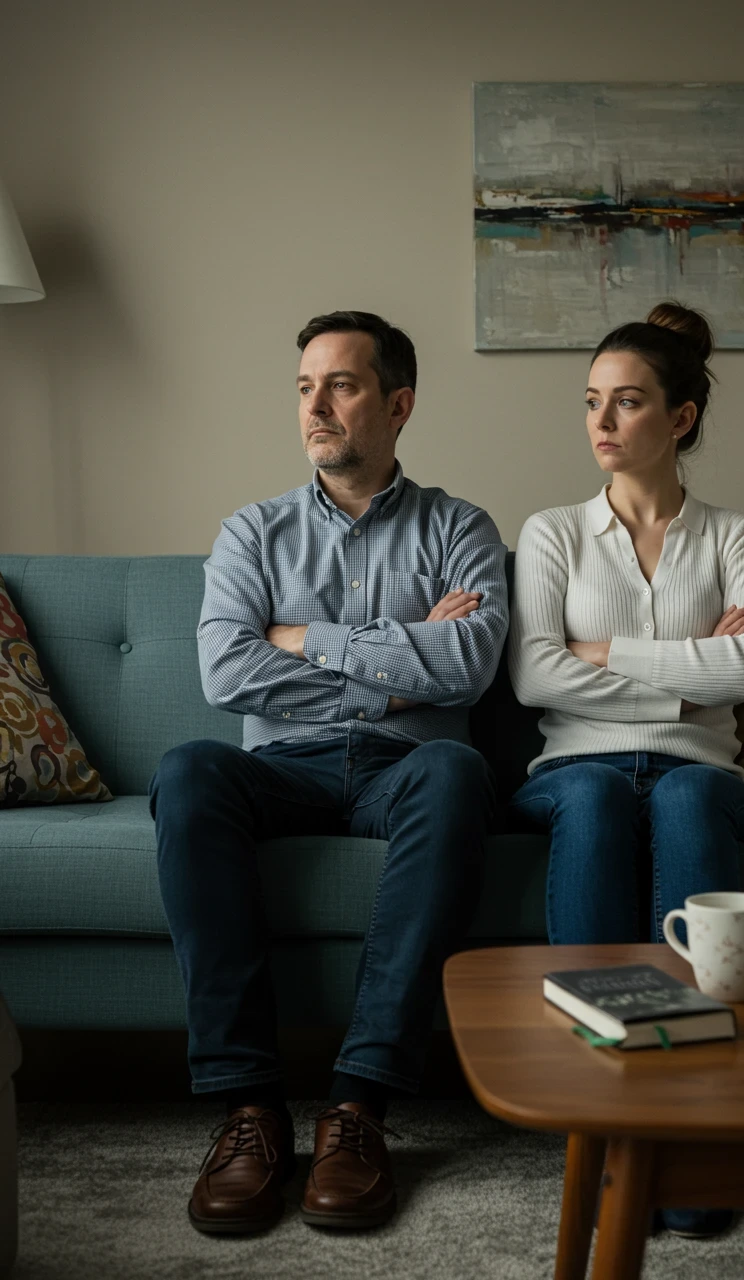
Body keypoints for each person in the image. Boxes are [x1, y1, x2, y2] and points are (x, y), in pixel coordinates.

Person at [150, 310, 508, 1235]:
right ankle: (249, 1110)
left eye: (341, 385)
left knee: (458, 770)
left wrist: (306, 639)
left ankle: (358, 1109)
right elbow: (227, 673)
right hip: (279, 770)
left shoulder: (461, 526)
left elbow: (467, 666)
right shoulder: (251, 533)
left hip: (407, 769)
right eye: (305, 386)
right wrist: (396, 669)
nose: (316, 404)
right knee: (189, 770)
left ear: (398, 405)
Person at [507, 300, 744, 1239]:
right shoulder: (550, 533)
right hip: (571, 762)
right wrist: (684, 677)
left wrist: (604, 652)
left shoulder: (736, 535)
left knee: (693, 797)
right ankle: (605, 1121)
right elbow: (536, 672)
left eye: (626, 403)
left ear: (681, 419)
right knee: (590, 798)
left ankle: (699, 1120)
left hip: (702, 765)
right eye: (592, 402)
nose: (602, 422)